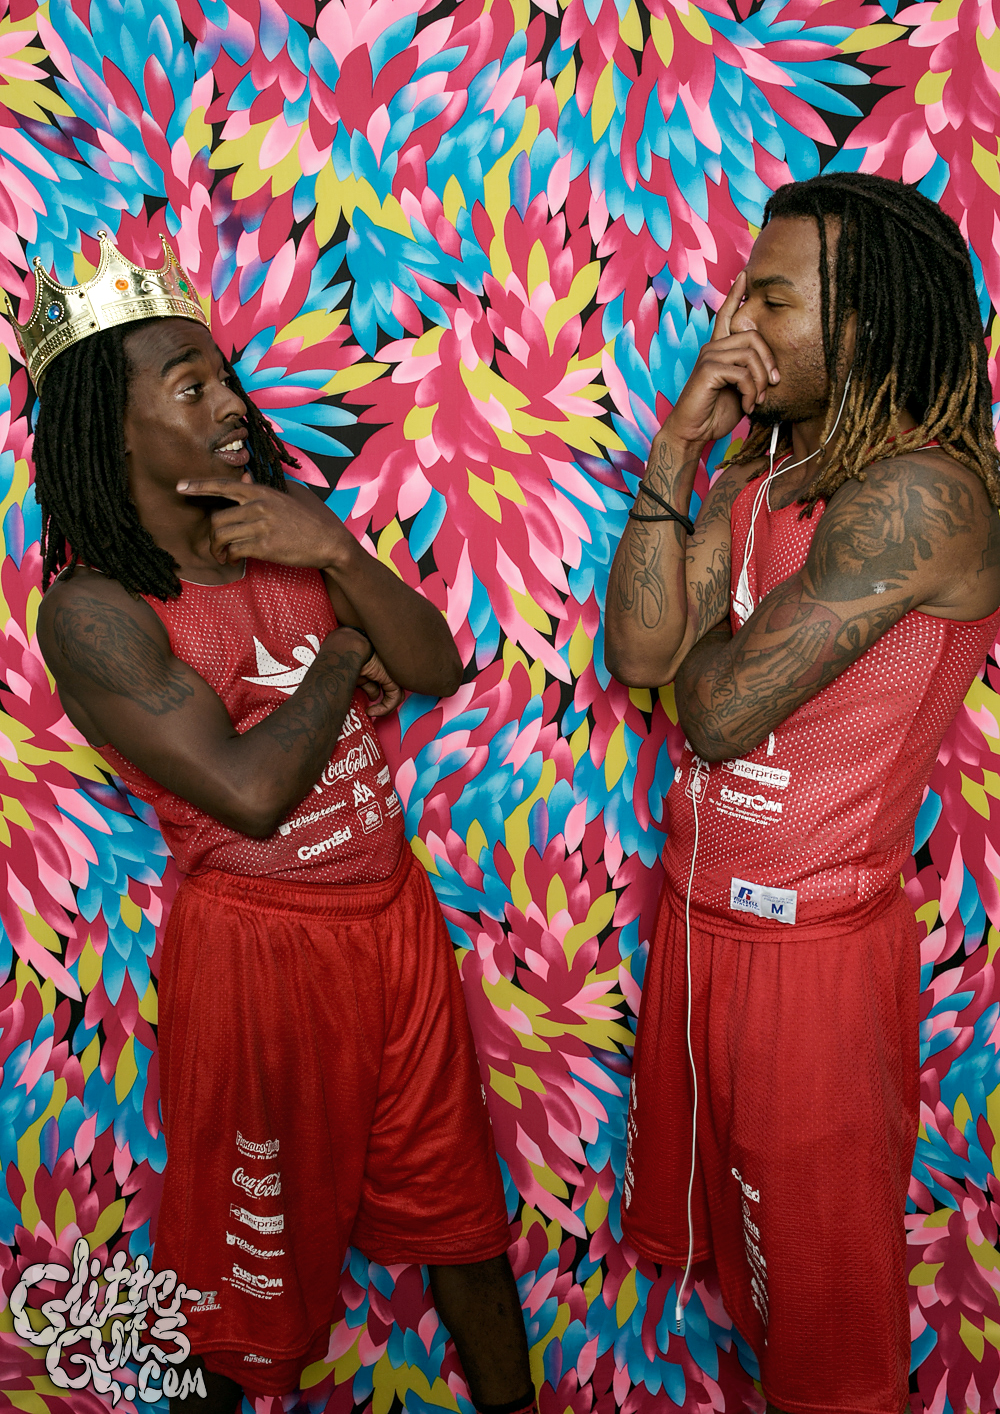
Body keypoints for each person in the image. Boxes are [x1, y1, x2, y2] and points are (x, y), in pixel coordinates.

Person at [14, 233, 536, 1414]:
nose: (229, 405)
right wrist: (341, 654)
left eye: (223, 377)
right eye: (188, 387)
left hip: (393, 922)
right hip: (262, 954)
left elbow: (435, 663)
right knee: (241, 1283)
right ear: (113, 428)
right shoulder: (95, 612)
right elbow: (250, 792)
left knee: (463, 1221)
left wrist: (335, 550)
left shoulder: (283, 523)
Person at [604, 173, 1000, 1414]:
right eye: (739, 294)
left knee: (824, 1340)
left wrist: (704, 645)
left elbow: (714, 711)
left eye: (769, 300)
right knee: (750, 1287)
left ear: (865, 319)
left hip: (807, 962)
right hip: (695, 930)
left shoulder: (920, 494)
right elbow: (638, 651)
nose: (735, 325)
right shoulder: (766, 472)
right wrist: (679, 450)